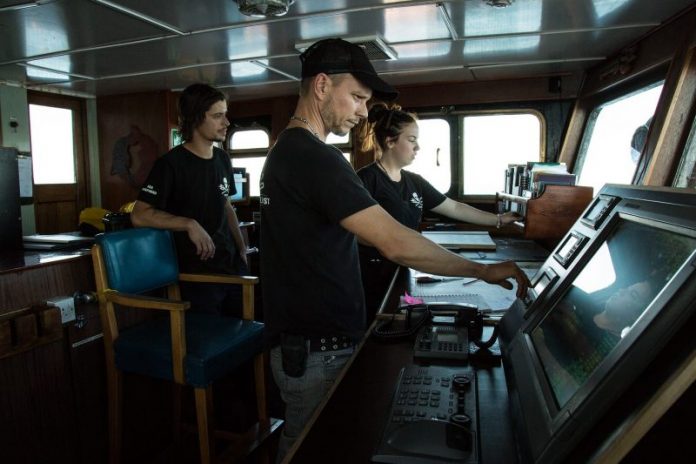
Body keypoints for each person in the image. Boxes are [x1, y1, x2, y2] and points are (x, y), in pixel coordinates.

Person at [259, 37, 530, 461]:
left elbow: (362, 234)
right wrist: (480, 271)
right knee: (311, 448)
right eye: (357, 97)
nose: (364, 112)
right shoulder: (315, 157)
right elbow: (393, 241)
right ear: (322, 85)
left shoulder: (288, 152)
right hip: (317, 350)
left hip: (310, 344)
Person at [355, 103, 521, 318]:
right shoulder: (365, 180)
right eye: (412, 140)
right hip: (371, 277)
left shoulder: (414, 182)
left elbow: (453, 207)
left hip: (404, 269)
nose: (418, 148)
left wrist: (498, 219)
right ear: (390, 142)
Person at [130, 83, 248, 315]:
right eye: (217, 116)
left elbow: (225, 205)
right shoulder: (170, 165)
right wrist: (189, 224)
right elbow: (139, 214)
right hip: (197, 273)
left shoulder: (222, 159)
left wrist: (241, 247)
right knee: (212, 342)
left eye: (225, 115)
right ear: (195, 119)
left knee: (243, 336)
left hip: (231, 266)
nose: (226, 123)